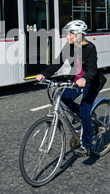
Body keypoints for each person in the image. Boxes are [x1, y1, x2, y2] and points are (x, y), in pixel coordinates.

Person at [36, 20, 103, 156]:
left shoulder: (90, 48)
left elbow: (93, 70)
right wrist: (44, 74)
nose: (67, 37)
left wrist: (85, 79)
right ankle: (86, 117)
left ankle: (87, 145)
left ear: (78, 35)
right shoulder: (69, 47)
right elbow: (57, 63)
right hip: (76, 80)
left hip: (91, 81)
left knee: (84, 110)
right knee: (64, 99)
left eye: (70, 34)